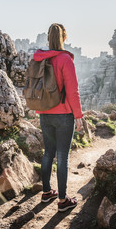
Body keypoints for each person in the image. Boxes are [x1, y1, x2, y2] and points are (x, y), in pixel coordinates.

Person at [33, 23, 83, 212]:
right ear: (64, 37)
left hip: (44, 113)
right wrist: (78, 115)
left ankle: (46, 192)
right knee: (62, 156)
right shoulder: (65, 59)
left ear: (48, 38)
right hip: (63, 115)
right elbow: (73, 90)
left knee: (48, 153)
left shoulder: (40, 58)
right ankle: (62, 200)